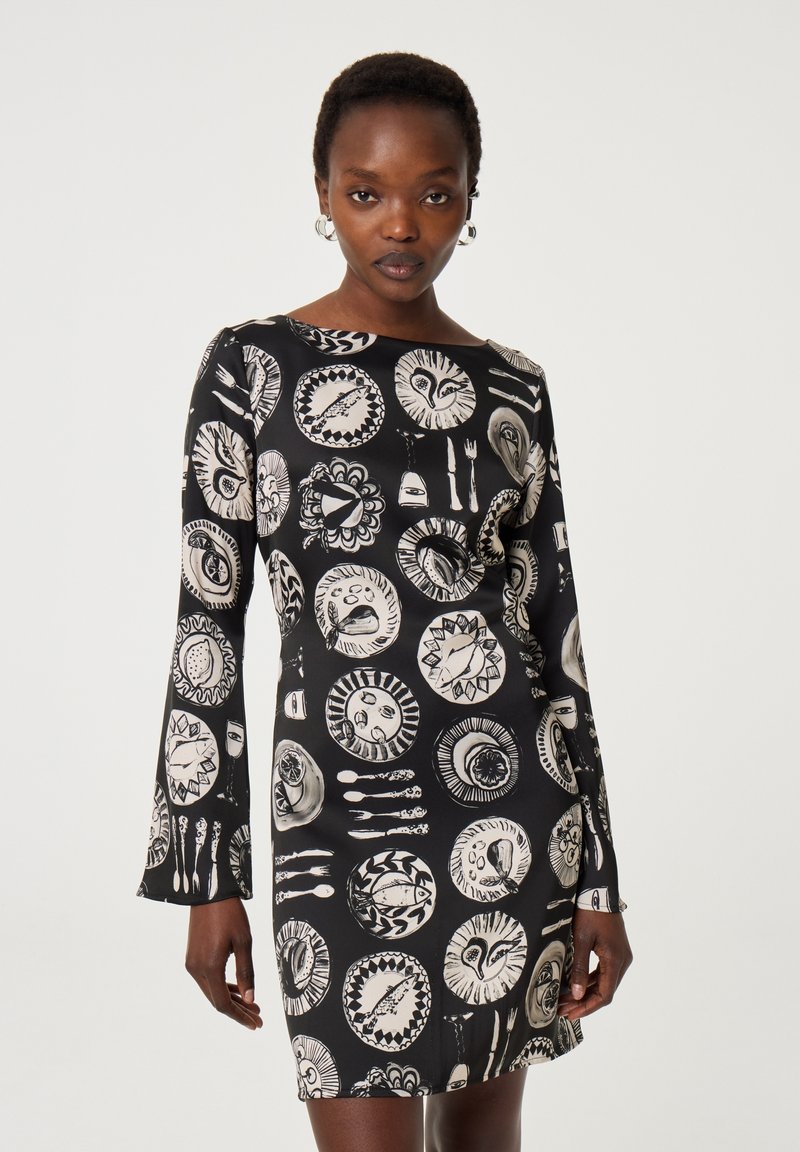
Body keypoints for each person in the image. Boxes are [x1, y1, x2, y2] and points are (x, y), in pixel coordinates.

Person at [136, 51, 633, 1152]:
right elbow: (206, 627)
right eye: (366, 192)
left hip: (515, 821)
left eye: (435, 193)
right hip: (333, 827)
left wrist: (600, 880)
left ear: (471, 197)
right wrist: (208, 874)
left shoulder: (512, 387)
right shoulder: (252, 368)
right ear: (321, 192)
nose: (401, 224)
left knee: (483, 1141)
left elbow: (554, 635)